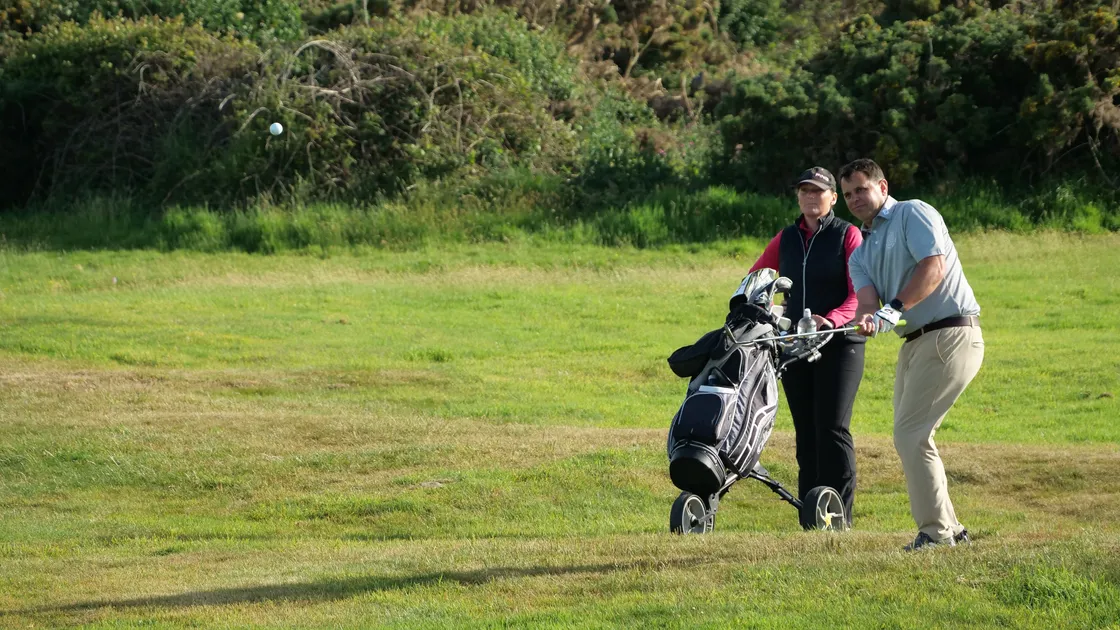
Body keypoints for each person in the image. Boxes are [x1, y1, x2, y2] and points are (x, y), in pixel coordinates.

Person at [839, 158, 984, 551]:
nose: (854, 198)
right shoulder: (860, 252)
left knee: (911, 435)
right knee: (911, 437)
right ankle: (950, 530)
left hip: (950, 332)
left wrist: (895, 307)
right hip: (914, 343)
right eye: (848, 193)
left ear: (882, 187)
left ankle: (936, 534)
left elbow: (933, 267)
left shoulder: (912, 212)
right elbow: (867, 304)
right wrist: (867, 320)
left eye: (861, 189)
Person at [749, 166, 865, 528]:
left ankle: (840, 517)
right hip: (793, 344)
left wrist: (829, 320)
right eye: (804, 191)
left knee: (832, 427)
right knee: (807, 432)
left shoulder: (848, 235)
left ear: (833, 197)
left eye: (818, 191)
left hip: (841, 342)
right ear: (798, 197)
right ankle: (811, 517)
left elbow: (859, 294)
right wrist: (756, 309)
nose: (811, 197)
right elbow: (756, 282)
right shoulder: (784, 239)